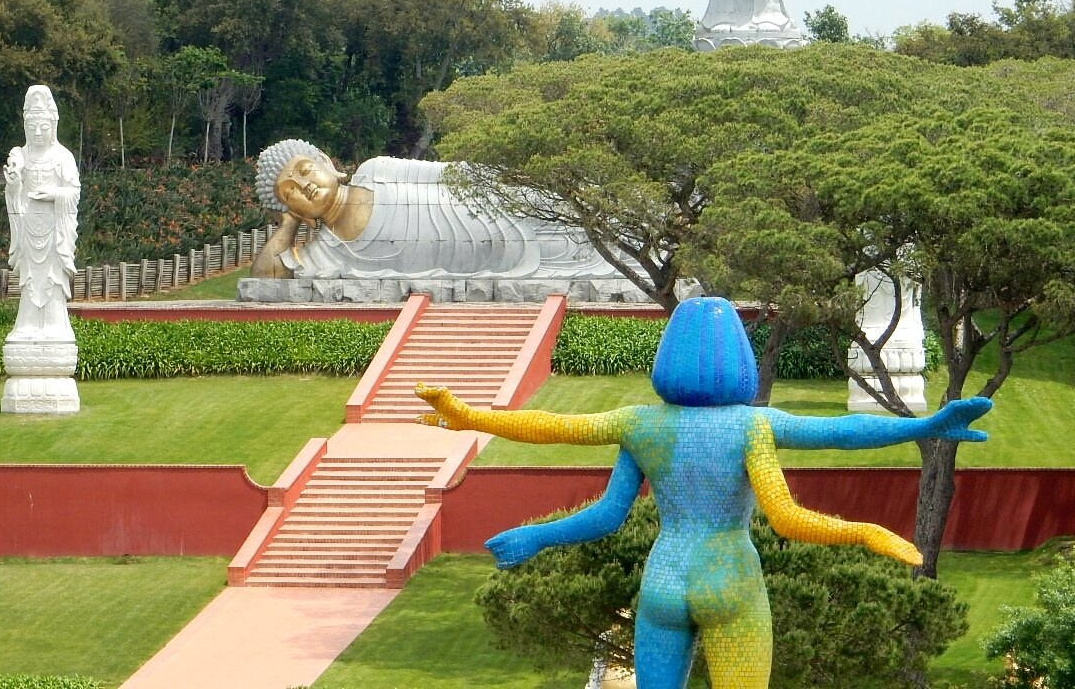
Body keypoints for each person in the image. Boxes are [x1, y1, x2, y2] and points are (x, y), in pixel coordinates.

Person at [416, 296, 992, 689]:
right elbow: (820, 467)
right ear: (736, 359)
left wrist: (472, 424)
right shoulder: (752, 426)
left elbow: (575, 462)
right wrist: (911, 445)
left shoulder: (641, 424)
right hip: (729, 581)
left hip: (663, 585)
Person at [250, 139, 621, 280]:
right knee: (575, 253)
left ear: (327, 162)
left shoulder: (376, 172)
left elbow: (450, 174)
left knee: (583, 216)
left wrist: (507, 178)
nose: (305, 185)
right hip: (501, 258)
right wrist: (288, 227)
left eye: (304, 170)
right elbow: (265, 277)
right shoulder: (326, 253)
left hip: (492, 209)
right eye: (290, 192)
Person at [4, 85, 80, 339]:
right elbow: (14, 191)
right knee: (29, 281)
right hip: (27, 229)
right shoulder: (21, 156)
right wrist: (14, 183)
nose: (38, 133)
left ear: (53, 127)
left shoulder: (63, 157)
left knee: (53, 280)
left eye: (44, 127)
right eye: (32, 127)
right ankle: (26, 326)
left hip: (54, 231)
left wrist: (54, 195)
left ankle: (56, 327)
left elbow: (74, 192)